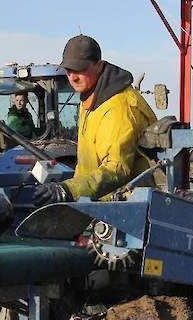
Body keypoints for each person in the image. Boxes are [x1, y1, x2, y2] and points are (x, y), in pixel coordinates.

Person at [32, 34, 157, 206]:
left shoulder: (118, 106)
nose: (73, 77)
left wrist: (69, 190)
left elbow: (117, 169)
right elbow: (86, 166)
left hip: (126, 208)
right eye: (68, 71)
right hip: (98, 203)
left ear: (99, 65)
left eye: (80, 70)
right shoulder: (90, 100)